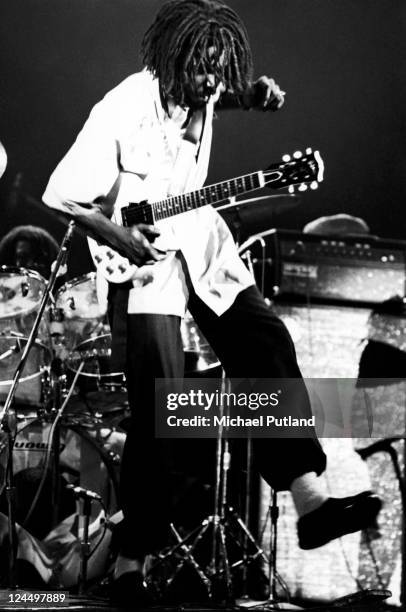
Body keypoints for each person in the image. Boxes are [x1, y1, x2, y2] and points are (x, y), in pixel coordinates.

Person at [42, 0, 380, 603]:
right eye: (205, 67)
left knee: (267, 341)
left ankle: (311, 503)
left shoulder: (206, 86)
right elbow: (61, 194)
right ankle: (128, 566)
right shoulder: (122, 107)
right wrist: (118, 235)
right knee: (162, 410)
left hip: (197, 235)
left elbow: (221, 90)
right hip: (140, 263)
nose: (212, 81)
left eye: (221, 69)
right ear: (175, 59)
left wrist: (249, 95)